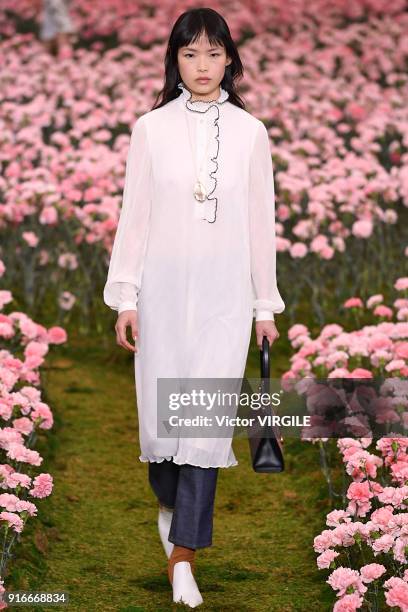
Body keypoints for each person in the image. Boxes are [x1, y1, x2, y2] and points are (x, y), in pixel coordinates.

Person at [103, 7, 285, 608]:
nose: (202, 65)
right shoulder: (149, 129)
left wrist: (264, 306)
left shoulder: (251, 133)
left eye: (213, 53)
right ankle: (168, 502)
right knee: (163, 431)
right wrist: (126, 295)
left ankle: (184, 555)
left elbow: (263, 226)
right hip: (160, 294)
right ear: (174, 60)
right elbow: (135, 217)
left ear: (230, 59)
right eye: (190, 53)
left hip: (224, 299)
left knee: (204, 428)